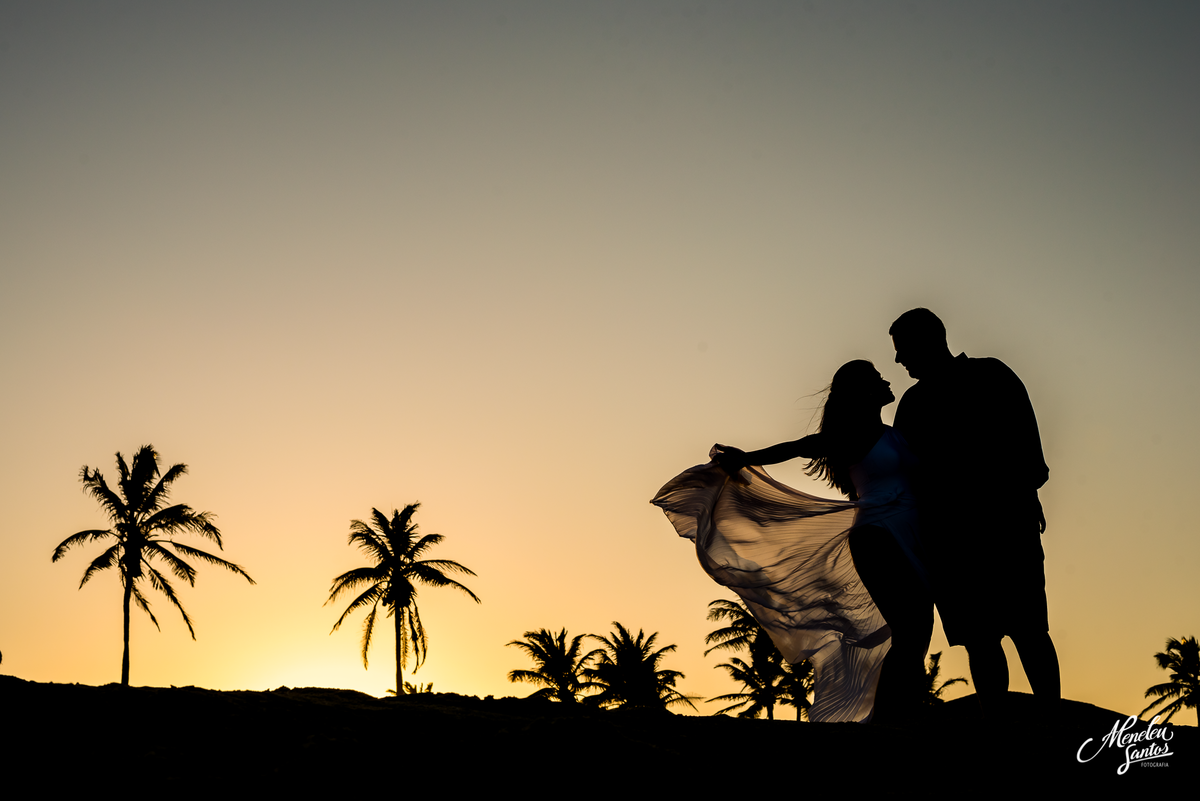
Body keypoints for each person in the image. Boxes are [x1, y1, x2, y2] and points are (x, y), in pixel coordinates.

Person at [651, 360, 933, 723]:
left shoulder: (893, 432)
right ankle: (890, 724)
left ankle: (899, 719)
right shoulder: (854, 432)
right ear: (864, 392)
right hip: (879, 536)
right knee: (910, 632)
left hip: (910, 537)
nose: (886, 380)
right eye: (876, 378)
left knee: (917, 631)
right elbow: (801, 446)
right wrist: (747, 458)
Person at [889, 308, 1060, 710]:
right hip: (954, 537)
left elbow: (1026, 444)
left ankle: (1052, 717)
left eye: (903, 350)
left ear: (928, 341)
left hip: (1000, 526)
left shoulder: (990, 376)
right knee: (984, 637)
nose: (898, 360)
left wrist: (1023, 494)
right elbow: (906, 475)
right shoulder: (915, 403)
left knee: (1026, 629)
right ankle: (998, 722)